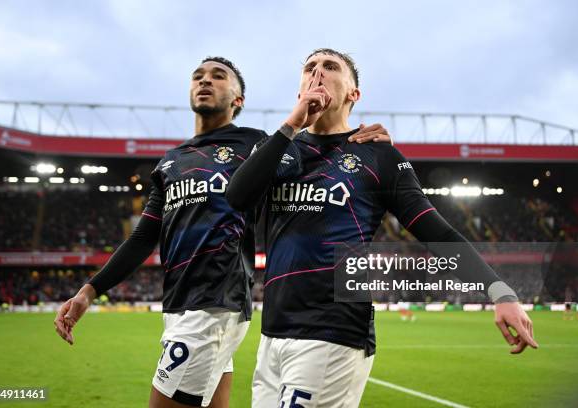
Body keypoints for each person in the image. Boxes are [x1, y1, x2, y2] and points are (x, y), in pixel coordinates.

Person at [53, 56, 391, 408]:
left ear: (238, 100)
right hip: (178, 301)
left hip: (216, 300)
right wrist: (89, 291)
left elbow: (324, 155)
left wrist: (365, 145)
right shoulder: (170, 161)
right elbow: (143, 238)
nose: (205, 81)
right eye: (198, 76)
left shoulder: (257, 144)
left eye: (217, 76)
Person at [226, 48, 538, 408]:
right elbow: (236, 197)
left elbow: (436, 231)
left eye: (330, 67)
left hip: (334, 330)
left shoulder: (379, 156)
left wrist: (500, 292)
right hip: (274, 334)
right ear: (299, 91)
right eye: (310, 67)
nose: (318, 73)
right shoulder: (279, 149)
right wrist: (292, 124)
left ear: (353, 94)